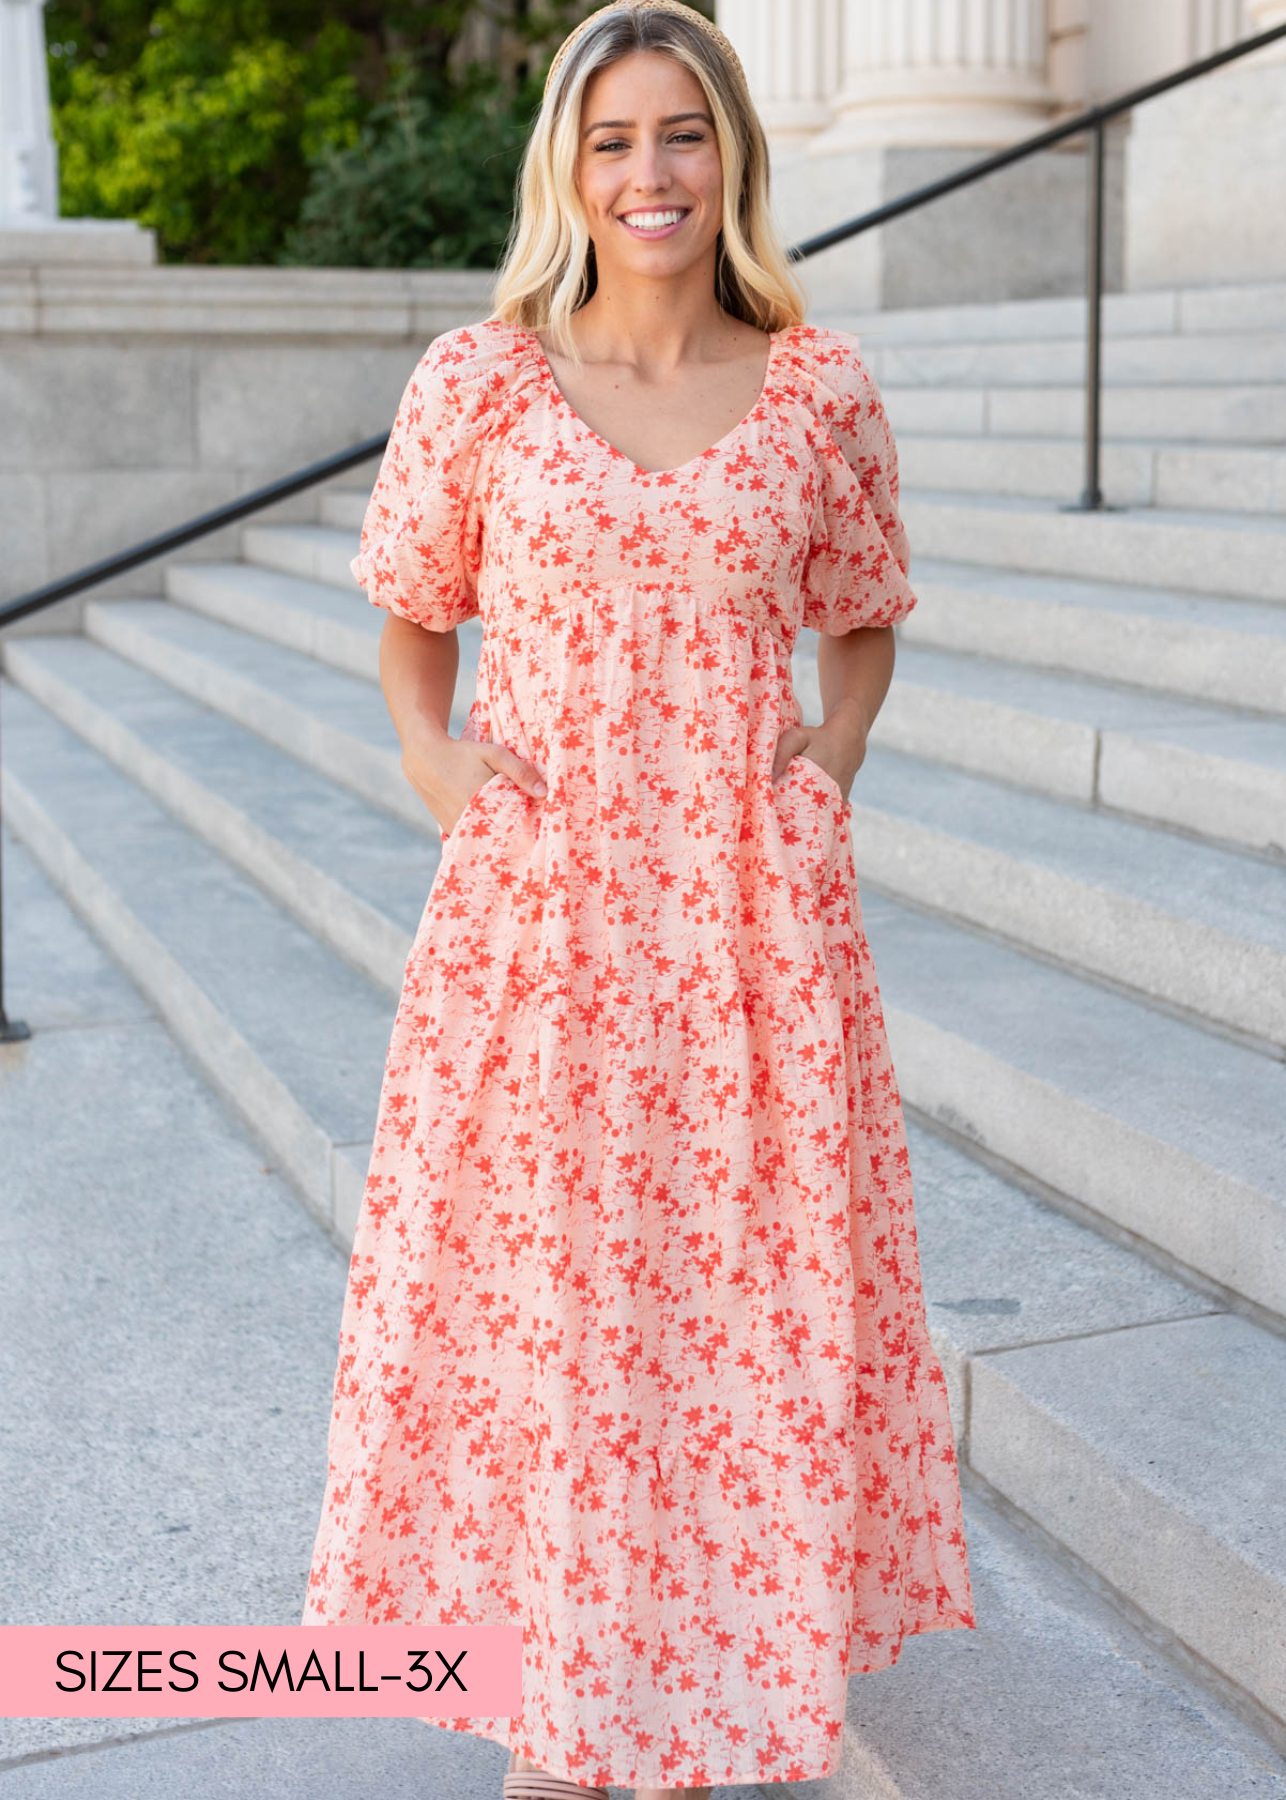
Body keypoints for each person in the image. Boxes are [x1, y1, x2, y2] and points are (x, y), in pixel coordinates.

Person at [300, 4, 978, 1798]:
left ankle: (737, 1678)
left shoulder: (819, 385)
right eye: (612, 141)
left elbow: (864, 614)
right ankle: (566, 1709)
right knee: (552, 1309)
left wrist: (826, 763)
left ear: (731, 153)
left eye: (680, 134)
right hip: (542, 927)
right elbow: (407, 619)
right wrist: (437, 770)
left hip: (751, 928)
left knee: (743, 1300)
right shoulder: (481, 382)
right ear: (567, 170)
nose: (650, 174)